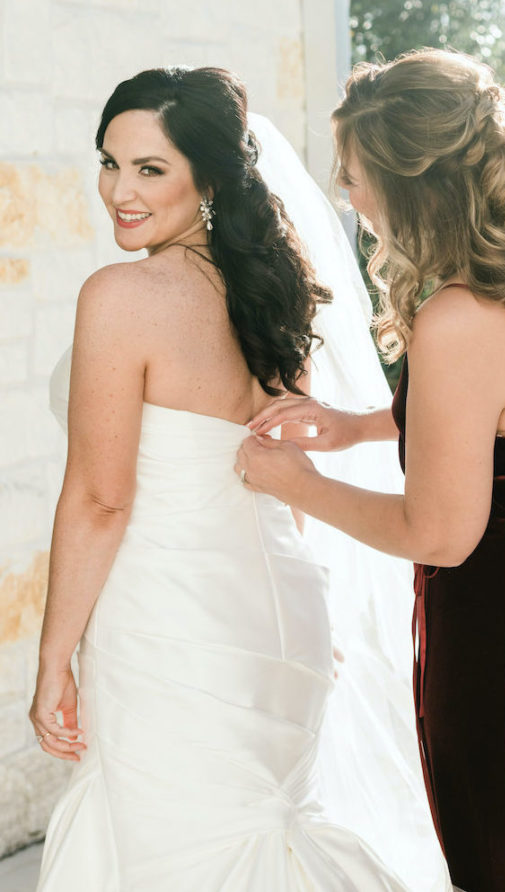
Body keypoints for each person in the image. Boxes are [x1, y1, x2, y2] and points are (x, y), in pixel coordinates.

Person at [237, 49, 505, 892]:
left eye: (354, 177)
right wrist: (359, 425)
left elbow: (438, 532)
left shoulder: (462, 319)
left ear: (413, 183)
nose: (345, 197)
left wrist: (300, 487)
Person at [29, 65, 452, 891]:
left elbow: (100, 497)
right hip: (276, 609)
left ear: (210, 177)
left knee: (172, 844)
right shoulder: (270, 291)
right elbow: (272, 462)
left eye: (151, 169)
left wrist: (53, 658)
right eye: (110, 162)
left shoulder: (120, 295)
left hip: (166, 621)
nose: (120, 190)